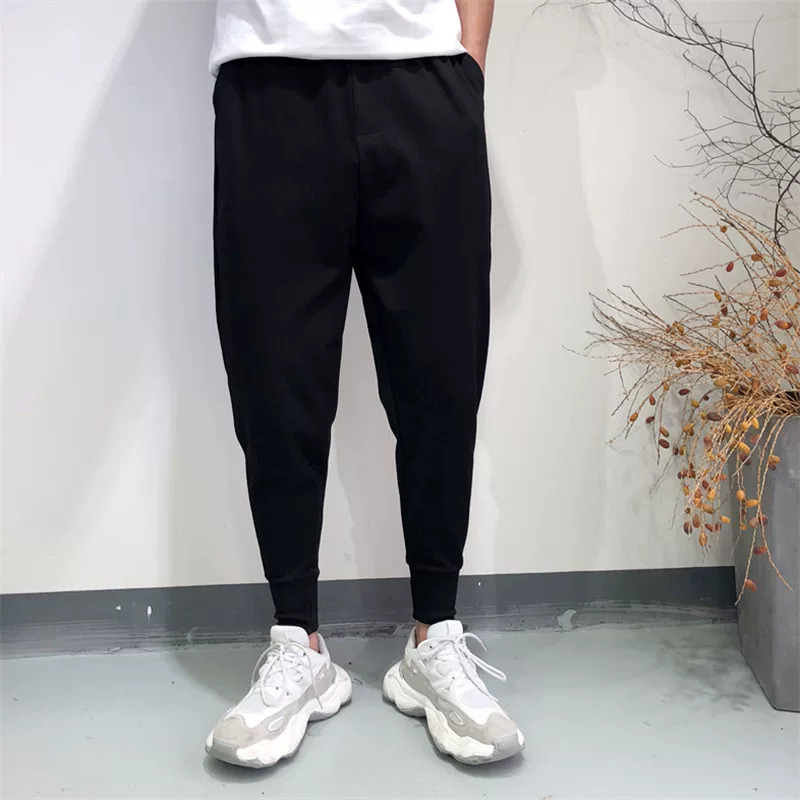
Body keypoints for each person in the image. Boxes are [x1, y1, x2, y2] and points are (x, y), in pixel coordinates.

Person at [206, 0, 523, 767]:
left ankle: (434, 637)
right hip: (268, 81)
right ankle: (299, 643)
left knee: (441, 377)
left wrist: (469, 69)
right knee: (274, 380)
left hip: (426, 79)